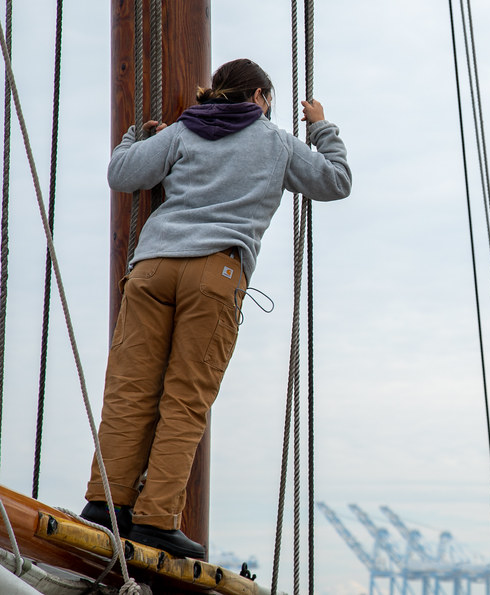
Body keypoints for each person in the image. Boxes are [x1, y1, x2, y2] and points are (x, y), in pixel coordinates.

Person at [81, 58, 352, 559]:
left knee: (130, 388)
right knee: (183, 401)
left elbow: (122, 174)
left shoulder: (184, 129)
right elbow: (335, 181)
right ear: (260, 98)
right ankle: (156, 520)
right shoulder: (273, 140)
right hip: (214, 275)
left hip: (153, 267)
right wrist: (320, 127)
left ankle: (106, 502)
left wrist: (133, 140)